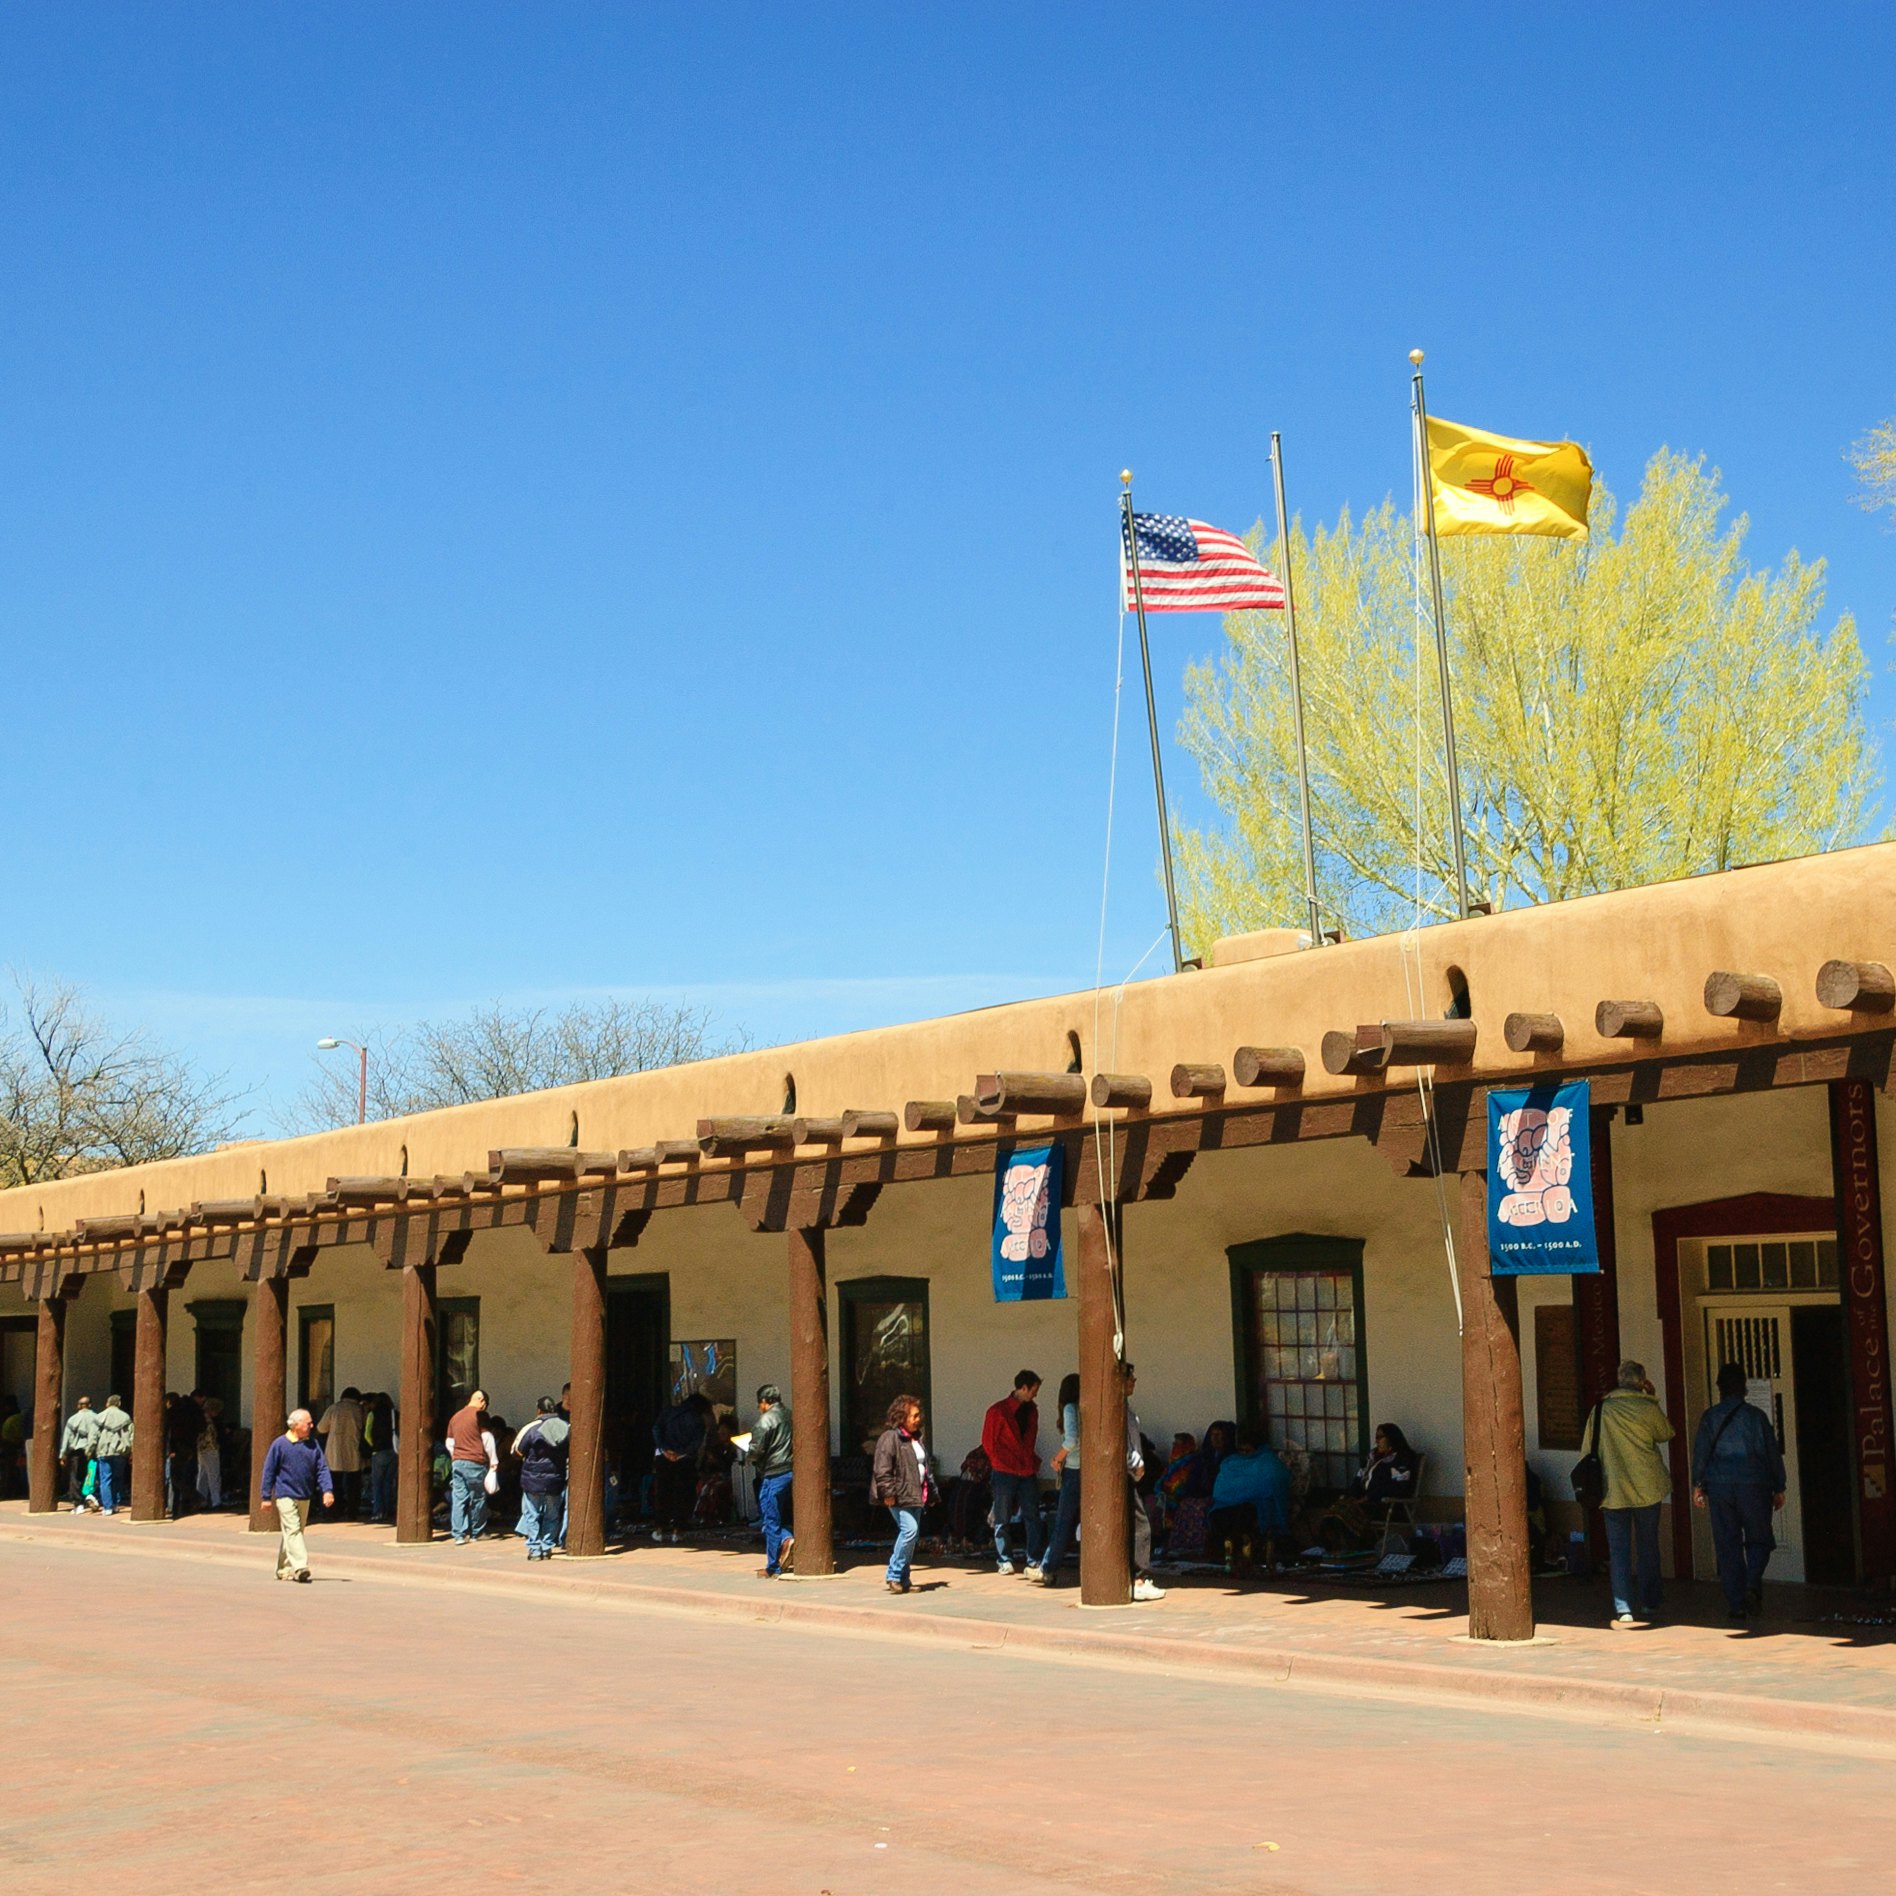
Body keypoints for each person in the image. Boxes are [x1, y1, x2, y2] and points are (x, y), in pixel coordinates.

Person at [1693, 1361, 1787, 1621]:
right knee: (1759, 1540)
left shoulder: (1710, 1418)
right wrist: (1779, 1486)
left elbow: (1701, 1454)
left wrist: (1698, 1485)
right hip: (1754, 1486)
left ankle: (1736, 1604)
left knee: (1727, 1544)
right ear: (1744, 1387)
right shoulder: (1756, 1417)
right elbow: (1771, 1454)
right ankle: (1751, 1584)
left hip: (1720, 1488)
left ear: (1719, 1387)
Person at [1596, 1360, 1676, 1629]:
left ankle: (1623, 1608)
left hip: (1613, 1489)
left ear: (1619, 1380)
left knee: (1618, 1551)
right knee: (1647, 1546)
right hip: (1646, 1488)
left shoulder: (1602, 1410)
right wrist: (1651, 1398)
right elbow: (1666, 1433)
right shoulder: (1646, 1407)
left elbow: (1588, 1448)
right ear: (1642, 1381)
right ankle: (1650, 1601)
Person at [259, 1407, 334, 1581]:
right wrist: (265, 1497)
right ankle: (300, 1566)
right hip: (285, 1494)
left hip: (304, 1495)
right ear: (295, 1425)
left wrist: (327, 1490)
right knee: (293, 1530)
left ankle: (283, 1568)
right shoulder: (280, 1444)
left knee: (293, 1532)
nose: (311, 1425)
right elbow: (269, 1471)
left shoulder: (313, 1445)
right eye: (307, 1423)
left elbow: (322, 1468)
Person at [981, 1370, 1044, 1575]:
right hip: (1005, 1469)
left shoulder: (1032, 1410)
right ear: (1023, 1388)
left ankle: (1033, 1558)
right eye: (1033, 1390)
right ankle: (1004, 1559)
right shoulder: (998, 1411)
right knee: (1002, 1517)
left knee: (1032, 1515)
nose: (1035, 1394)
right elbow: (988, 1442)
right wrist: (999, 1461)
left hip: (1025, 1468)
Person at [1207, 1432, 1292, 1575]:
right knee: (1217, 1515)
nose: (1244, 1454)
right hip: (1227, 1504)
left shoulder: (1267, 1462)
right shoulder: (1230, 1463)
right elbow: (1220, 1489)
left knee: (1242, 1515)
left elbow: (1275, 1484)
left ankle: (1241, 1556)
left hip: (1258, 1504)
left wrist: (1249, 1494)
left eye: (1248, 1451)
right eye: (1241, 1451)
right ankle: (1224, 1556)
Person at [871, 1393, 932, 1593]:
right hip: (899, 1495)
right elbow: (882, 1469)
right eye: (913, 1416)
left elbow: (924, 1467)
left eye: (918, 1415)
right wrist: (888, 1493)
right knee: (909, 1531)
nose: (918, 1419)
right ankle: (894, 1574)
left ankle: (904, 1579)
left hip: (915, 1494)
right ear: (901, 1417)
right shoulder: (890, 1438)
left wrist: (932, 1492)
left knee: (911, 1537)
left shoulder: (916, 1439)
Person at [1030, 1373, 1081, 1586]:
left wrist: (1056, 1458)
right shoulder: (1087, 1407)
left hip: (1073, 1468)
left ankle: (1048, 1567)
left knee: (1063, 1521)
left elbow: (1071, 1440)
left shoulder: (1070, 1408)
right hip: (1089, 1469)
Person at [1124, 1366, 1165, 1601]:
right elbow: (1123, 1442)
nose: (1134, 1382)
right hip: (1127, 1472)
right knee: (1141, 1527)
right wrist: (1135, 1463)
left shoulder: (1126, 1409)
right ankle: (1139, 1578)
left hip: (1131, 1473)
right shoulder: (1117, 1409)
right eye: (1131, 1378)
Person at [512, 1395, 570, 1560]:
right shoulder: (566, 1427)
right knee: (552, 1515)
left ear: (539, 1409)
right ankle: (547, 1546)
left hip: (533, 1479)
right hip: (556, 1478)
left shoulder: (532, 1428)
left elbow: (517, 1451)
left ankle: (534, 1549)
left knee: (532, 1513)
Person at [651, 1392, 710, 1543]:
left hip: (663, 1457)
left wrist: (664, 1449)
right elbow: (696, 1442)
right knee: (683, 1493)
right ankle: (678, 1529)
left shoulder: (668, 1412)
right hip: (685, 1459)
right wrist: (682, 1453)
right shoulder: (698, 1420)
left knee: (663, 1492)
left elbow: (656, 1429)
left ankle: (659, 1528)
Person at [749, 1383, 795, 1579]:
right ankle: (786, 1539)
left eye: (760, 1404)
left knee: (770, 1516)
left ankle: (773, 1565)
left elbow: (755, 1450)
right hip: (791, 1470)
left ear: (764, 1402)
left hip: (773, 1472)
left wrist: (748, 1454)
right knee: (776, 1513)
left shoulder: (765, 1421)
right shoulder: (791, 1415)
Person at [444, 1390, 497, 1544]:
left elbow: (449, 1443)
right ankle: (477, 1532)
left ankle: (458, 1534)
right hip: (475, 1461)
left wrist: (456, 1455)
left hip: (458, 1461)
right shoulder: (480, 1415)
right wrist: (493, 1461)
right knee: (478, 1498)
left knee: (459, 1498)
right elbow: (487, 1439)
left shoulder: (455, 1417)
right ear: (482, 1401)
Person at [318, 1386, 367, 1521]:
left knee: (333, 1484)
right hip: (354, 1450)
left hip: (335, 1452)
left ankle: (333, 1512)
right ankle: (352, 1512)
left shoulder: (334, 1408)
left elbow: (321, 1428)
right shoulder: (359, 1410)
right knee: (353, 1486)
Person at [93, 1394, 133, 1515]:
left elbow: (94, 1436)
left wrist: (90, 1450)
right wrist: (132, 1451)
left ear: (107, 1403)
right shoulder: (126, 1417)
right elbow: (131, 1435)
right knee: (118, 1478)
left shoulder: (100, 1416)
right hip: (120, 1452)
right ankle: (116, 1503)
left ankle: (107, 1507)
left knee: (105, 1480)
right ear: (119, 1404)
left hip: (104, 1452)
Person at [363, 1392, 399, 1524]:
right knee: (389, 1482)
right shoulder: (394, 1413)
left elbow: (367, 1434)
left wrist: (374, 1446)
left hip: (379, 1451)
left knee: (377, 1483)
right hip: (394, 1450)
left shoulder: (373, 1414)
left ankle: (378, 1511)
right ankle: (389, 1509)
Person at [60, 1396, 99, 1511]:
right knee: (91, 1475)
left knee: (75, 1477)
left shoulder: (72, 1419)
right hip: (92, 1452)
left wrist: (63, 1454)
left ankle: (78, 1502)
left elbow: (66, 1438)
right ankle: (90, 1495)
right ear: (90, 1405)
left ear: (78, 1405)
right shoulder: (97, 1418)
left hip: (76, 1452)